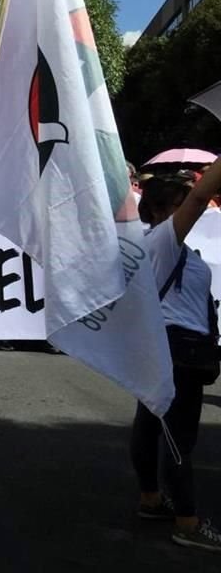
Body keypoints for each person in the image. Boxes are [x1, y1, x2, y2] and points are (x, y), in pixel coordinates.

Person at [131, 157, 221, 553]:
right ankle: (187, 521)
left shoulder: (169, 246)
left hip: (168, 346)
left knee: (151, 426)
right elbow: (202, 196)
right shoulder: (163, 240)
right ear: (156, 211)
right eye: (176, 205)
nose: (185, 212)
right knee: (178, 437)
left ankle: (151, 499)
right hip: (177, 350)